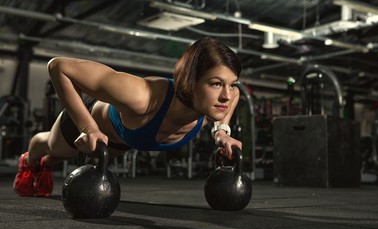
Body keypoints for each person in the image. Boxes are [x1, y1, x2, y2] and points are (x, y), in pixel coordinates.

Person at [13, 36, 243, 197]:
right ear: (191, 82)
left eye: (231, 84)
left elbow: (235, 97)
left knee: (65, 158)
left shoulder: (219, 101)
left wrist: (221, 132)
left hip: (121, 142)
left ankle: (48, 164)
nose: (226, 94)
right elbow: (58, 66)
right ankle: (30, 160)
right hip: (91, 122)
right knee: (55, 148)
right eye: (216, 83)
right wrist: (87, 127)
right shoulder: (143, 96)